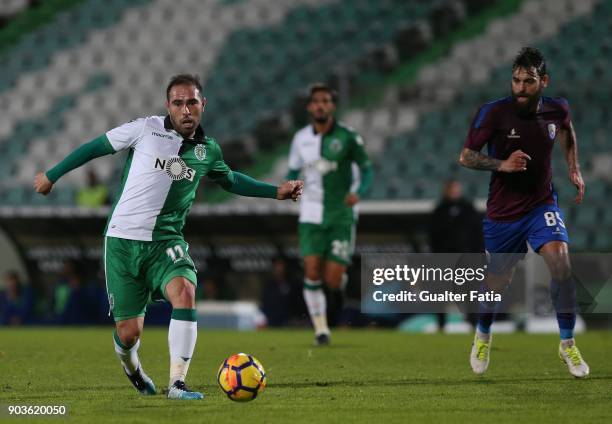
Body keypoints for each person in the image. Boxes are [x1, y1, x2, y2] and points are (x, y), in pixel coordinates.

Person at [34, 74, 303, 399]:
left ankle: (177, 383)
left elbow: (230, 180)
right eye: (178, 103)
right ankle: (131, 366)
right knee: (129, 333)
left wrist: (277, 192)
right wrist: (52, 175)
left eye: (192, 102)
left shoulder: (208, 150)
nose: (185, 109)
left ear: (203, 105)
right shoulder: (145, 129)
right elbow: (95, 147)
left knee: (185, 291)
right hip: (122, 242)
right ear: (168, 106)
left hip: (166, 241)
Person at [459, 47, 588, 377]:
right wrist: (502, 164)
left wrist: (573, 169)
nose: (519, 87)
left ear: (543, 81)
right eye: (515, 80)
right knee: (497, 283)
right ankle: (483, 335)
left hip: (541, 204)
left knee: (561, 262)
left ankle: (568, 344)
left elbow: (567, 130)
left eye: (528, 81)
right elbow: (466, 157)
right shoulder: (493, 113)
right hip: (503, 213)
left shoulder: (558, 109)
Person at [286, 83, 373, 345]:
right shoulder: (300, 138)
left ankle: (339, 284)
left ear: (332, 106)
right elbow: (292, 172)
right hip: (310, 213)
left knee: (332, 279)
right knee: (311, 271)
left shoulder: (348, 137)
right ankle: (321, 329)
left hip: (341, 214)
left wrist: (359, 191)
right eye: (316, 101)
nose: (320, 105)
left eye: (325, 101)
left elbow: (367, 169)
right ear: (310, 107)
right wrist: (290, 186)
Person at [429, 179, 482, 330]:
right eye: (451, 189)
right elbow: (433, 236)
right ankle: (441, 324)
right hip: (445, 258)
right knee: (441, 292)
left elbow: (478, 233)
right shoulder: (439, 211)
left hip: (467, 257)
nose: (454, 192)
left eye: (456, 189)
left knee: (470, 291)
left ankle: (473, 323)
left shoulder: (468, 209)